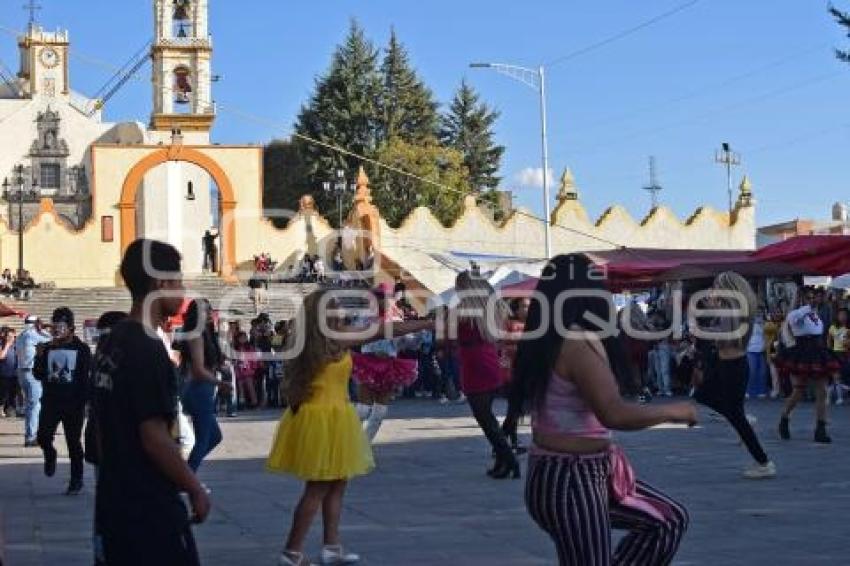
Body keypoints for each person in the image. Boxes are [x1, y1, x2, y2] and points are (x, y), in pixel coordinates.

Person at [511, 254, 694, 566]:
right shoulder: (576, 342)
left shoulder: (553, 337)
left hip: (578, 474)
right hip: (570, 478)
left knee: (667, 520)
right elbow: (614, 413)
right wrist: (675, 411)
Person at [267, 289, 431, 566]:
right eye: (335, 307)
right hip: (327, 417)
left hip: (323, 414)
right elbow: (383, 330)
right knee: (318, 488)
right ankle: (292, 552)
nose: (341, 311)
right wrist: (427, 323)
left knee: (337, 483)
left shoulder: (311, 340)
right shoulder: (334, 338)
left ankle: (332, 546)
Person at [92, 239, 210, 565]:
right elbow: (154, 436)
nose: (184, 291)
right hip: (148, 506)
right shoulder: (148, 349)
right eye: (179, 281)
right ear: (161, 284)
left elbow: (100, 430)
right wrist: (195, 487)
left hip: (114, 501)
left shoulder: (111, 341)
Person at [694, 272, 776, 478]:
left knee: (733, 414)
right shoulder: (734, 310)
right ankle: (745, 422)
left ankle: (763, 462)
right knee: (703, 396)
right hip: (728, 364)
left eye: (717, 287)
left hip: (732, 366)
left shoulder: (731, 311)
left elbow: (724, 339)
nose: (713, 291)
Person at [451, 271, 518, 479]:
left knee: (485, 418)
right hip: (488, 358)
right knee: (488, 417)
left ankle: (509, 460)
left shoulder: (461, 312)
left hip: (473, 363)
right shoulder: (491, 309)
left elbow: (448, 337)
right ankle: (503, 461)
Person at [33, 307, 92, 495]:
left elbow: (85, 377)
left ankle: (76, 480)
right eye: (54, 326)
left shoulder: (82, 349)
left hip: (74, 403)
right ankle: (50, 454)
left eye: (61, 326)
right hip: (51, 401)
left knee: (73, 442)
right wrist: (39, 356)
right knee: (42, 436)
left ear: (71, 328)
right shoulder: (47, 348)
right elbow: (38, 374)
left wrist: (86, 401)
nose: (57, 331)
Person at [85, 310, 128, 566]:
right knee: (113, 507)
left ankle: (103, 555)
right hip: (113, 449)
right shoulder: (113, 362)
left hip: (105, 447)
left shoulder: (100, 360)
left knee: (106, 507)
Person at [351, 285, 419, 441]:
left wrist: (416, 336)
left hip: (389, 365)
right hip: (368, 364)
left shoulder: (396, 318)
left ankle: (365, 445)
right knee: (362, 409)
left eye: (386, 297)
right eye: (379, 297)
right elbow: (353, 337)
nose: (383, 301)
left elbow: (405, 342)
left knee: (380, 411)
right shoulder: (364, 317)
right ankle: (351, 443)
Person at [173, 298, 231, 473]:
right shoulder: (196, 335)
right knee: (204, 439)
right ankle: (186, 479)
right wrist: (219, 382)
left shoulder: (204, 334)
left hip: (202, 389)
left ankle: (185, 474)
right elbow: (198, 369)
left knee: (214, 437)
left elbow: (204, 364)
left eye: (209, 309)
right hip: (198, 389)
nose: (209, 314)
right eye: (205, 310)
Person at [777, 287, 839, 443]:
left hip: (817, 350)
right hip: (802, 351)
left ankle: (820, 429)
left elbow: (818, 330)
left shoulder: (815, 314)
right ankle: (784, 418)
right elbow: (793, 321)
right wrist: (806, 306)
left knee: (822, 391)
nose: (813, 300)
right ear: (801, 299)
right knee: (798, 391)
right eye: (809, 297)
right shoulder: (795, 314)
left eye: (814, 297)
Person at [16, 315, 52, 447]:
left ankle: (30, 434)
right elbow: (52, 339)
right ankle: (31, 437)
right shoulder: (32, 335)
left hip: (21, 372)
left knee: (30, 405)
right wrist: (44, 329)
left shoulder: (21, 335)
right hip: (31, 372)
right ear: (36, 323)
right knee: (34, 405)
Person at [827, 307, 849, 405]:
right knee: (836, 376)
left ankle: (830, 396)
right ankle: (839, 398)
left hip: (846, 353)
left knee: (842, 377)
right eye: (840, 315)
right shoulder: (833, 327)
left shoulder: (848, 328)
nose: (842, 317)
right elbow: (829, 338)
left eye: (844, 315)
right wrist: (829, 349)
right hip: (835, 353)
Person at [745, 308, 769, 398]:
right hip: (751, 350)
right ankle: (748, 390)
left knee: (762, 372)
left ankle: (761, 390)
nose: (758, 315)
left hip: (762, 350)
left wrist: (762, 324)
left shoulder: (765, 324)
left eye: (760, 313)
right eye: (757, 313)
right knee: (752, 371)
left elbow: (767, 336)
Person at [233, 331, 259, 408]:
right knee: (240, 387)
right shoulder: (236, 348)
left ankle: (254, 402)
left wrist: (254, 368)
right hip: (239, 369)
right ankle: (242, 403)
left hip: (248, 369)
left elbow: (254, 358)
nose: (243, 339)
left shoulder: (250, 347)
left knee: (250, 386)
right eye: (241, 338)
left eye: (244, 337)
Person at [0, 327, 17, 417]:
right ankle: (1, 409)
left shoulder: (16, 346)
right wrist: (7, 345)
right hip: (4, 374)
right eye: (9, 336)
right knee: (3, 394)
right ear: (5, 337)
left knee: (12, 394)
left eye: (13, 336)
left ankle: (10, 409)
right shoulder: (2, 344)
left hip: (14, 374)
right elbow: (1, 356)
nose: (11, 338)